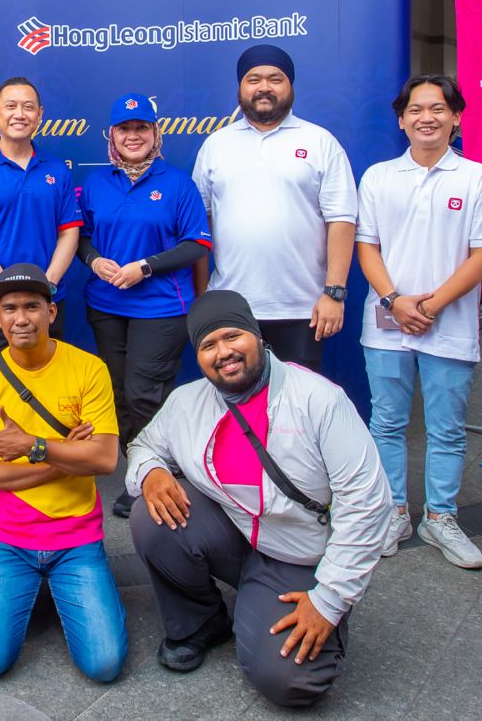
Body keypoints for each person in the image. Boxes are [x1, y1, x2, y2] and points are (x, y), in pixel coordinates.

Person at [126, 290, 390, 708]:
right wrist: (151, 473)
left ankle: (284, 603)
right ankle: (200, 622)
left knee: (291, 682)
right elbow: (144, 446)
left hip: (298, 554)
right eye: (208, 345)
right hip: (235, 536)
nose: (223, 352)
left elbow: (368, 503)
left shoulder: (317, 398)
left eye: (233, 336)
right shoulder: (186, 401)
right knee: (150, 515)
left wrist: (329, 600)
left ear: (257, 335)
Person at [355, 75, 482, 569]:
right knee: (387, 423)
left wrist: (432, 305)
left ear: (456, 116)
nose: (427, 118)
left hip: (451, 324)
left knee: (447, 428)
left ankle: (440, 517)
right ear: (401, 120)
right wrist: (396, 300)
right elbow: (366, 246)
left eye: (438, 108)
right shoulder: (378, 177)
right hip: (386, 322)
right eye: (416, 110)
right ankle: (393, 512)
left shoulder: (479, 178)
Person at [0, 263, 127, 683]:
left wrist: (32, 447)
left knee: (104, 665)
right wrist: (66, 454)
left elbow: (105, 460)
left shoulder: (89, 368)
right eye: (10, 308)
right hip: (6, 539)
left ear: (51, 312)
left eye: (32, 306)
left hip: (76, 538)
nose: (22, 318)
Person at [78, 92, 211, 519]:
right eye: (124, 129)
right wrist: (93, 260)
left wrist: (146, 267)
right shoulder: (97, 183)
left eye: (141, 128)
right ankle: (142, 473)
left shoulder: (177, 183)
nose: (133, 136)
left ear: (155, 134)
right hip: (106, 304)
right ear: (112, 136)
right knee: (118, 394)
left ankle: (156, 477)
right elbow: (80, 235)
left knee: (144, 394)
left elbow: (198, 244)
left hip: (161, 305)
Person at [191, 44, 357, 370]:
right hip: (230, 306)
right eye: (253, 79)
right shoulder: (216, 145)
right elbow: (199, 225)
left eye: (275, 79)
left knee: (297, 397)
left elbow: (342, 220)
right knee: (236, 396)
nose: (264, 87)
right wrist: (202, 298)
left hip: (304, 307)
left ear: (290, 86)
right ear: (240, 87)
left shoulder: (320, 142)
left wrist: (334, 293)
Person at [0, 78, 82, 364]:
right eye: (10, 106)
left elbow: (69, 234)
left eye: (28, 107)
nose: (19, 114)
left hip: (47, 303)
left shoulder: (57, 170)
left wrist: (46, 287)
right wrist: (9, 293)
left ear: (40, 114)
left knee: (47, 382)